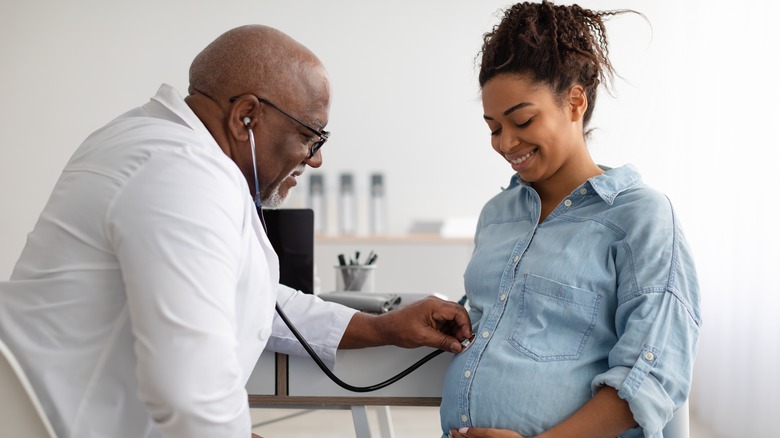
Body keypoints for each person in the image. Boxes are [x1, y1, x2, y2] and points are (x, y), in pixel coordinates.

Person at [0, 25, 473, 438]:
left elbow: (259, 297)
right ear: (245, 116)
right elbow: (192, 390)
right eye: (311, 137)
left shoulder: (158, 145)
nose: (315, 159)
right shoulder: (183, 175)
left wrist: (380, 327)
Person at [442, 2, 701, 438]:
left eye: (522, 120)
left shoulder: (641, 218)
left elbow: (650, 375)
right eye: (492, 128)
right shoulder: (496, 216)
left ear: (575, 102)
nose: (505, 143)